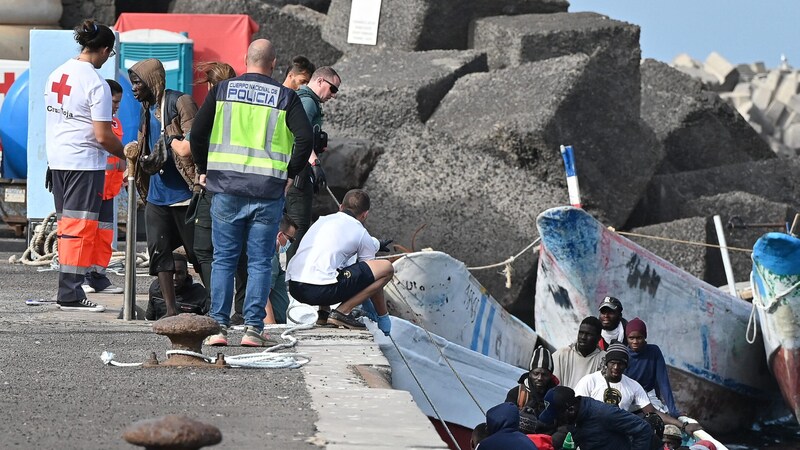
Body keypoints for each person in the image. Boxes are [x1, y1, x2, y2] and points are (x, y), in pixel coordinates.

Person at [191, 39, 313, 347]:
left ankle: (218, 327)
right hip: (268, 191)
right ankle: (253, 330)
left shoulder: (222, 91)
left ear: (246, 60)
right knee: (260, 261)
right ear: (273, 64)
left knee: (223, 260)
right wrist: (290, 173)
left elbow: (197, 132)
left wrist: (204, 167)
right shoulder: (286, 97)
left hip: (226, 188)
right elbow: (305, 137)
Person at [45, 19, 125, 311]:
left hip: (57, 162)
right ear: (104, 50)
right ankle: (71, 294)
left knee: (68, 228)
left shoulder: (56, 74)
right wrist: (127, 152)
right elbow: (103, 136)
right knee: (80, 229)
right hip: (84, 165)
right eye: (110, 53)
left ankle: (69, 290)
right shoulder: (96, 83)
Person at [126, 57, 205, 318]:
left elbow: (197, 140)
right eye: (132, 83)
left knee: (199, 254)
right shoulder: (145, 109)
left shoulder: (179, 102)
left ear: (152, 81)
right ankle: (170, 311)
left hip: (184, 194)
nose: (134, 88)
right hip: (158, 195)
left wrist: (174, 143)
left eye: (138, 83)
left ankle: (218, 307)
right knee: (159, 253)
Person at [172, 61, 248, 324]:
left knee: (205, 249)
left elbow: (188, 148)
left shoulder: (212, 108)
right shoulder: (246, 111)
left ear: (211, 86)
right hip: (243, 185)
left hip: (213, 187)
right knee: (240, 251)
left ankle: (218, 307)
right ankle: (240, 311)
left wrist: (170, 135)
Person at [286, 189, 393, 333]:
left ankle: (324, 313)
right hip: (320, 290)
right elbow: (371, 275)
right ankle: (342, 312)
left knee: (330, 267)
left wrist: (376, 244)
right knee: (386, 268)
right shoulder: (361, 232)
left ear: (340, 207)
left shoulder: (322, 221)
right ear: (365, 214)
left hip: (295, 287)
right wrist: (382, 315)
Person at [574, 343, 702, 436]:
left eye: (621, 363)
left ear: (626, 365)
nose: (616, 367)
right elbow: (575, 410)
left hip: (617, 436)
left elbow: (653, 412)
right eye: (613, 362)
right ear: (606, 362)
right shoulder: (589, 381)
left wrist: (684, 426)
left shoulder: (633, 386)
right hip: (591, 434)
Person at [285, 66, 341, 262]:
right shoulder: (307, 102)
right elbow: (300, 137)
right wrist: (315, 163)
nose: (333, 95)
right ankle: (292, 277)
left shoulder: (305, 100)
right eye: (333, 89)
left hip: (296, 172)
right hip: (298, 175)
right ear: (319, 81)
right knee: (299, 226)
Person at [80, 79, 126, 295]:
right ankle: (82, 277)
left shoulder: (116, 124)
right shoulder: (90, 121)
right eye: (114, 101)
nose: (116, 106)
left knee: (104, 236)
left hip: (109, 190)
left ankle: (98, 276)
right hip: (91, 186)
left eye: (118, 102)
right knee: (86, 234)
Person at [538, 386, 653, 450]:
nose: (557, 421)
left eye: (558, 417)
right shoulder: (574, 419)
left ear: (571, 410)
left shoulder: (604, 413)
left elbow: (643, 429)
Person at [504, 346, 565, 444]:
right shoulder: (517, 394)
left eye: (544, 374)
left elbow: (564, 428)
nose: (539, 378)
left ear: (550, 376)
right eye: (536, 373)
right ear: (530, 373)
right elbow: (506, 422)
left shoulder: (557, 397)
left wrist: (549, 443)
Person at [625, 318, 681, 418]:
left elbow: (663, 381)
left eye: (639, 338)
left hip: (648, 396)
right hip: (628, 396)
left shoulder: (654, 351)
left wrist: (672, 410)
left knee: (659, 419)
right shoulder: (623, 354)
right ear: (627, 338)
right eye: (631, 338)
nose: (635, 341)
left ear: (645, 336)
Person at [145, 252, 207, 320]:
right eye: (171, 274)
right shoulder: (155, 288)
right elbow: (149, 318)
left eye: (180, 273)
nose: (175, 278)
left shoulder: (199, 293)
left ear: (186, 273)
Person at [552, 316, 606, 388]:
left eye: (588, 334)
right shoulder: (561, 354)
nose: (583, 337)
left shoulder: (605, 359)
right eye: (581, 333)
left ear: (599, 338)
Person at [265, 214, 298, 324]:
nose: (290, 243)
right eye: (290, 239)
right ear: (280, 235)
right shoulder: (271, 259)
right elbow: (263, 295)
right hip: (273, 323)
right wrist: (271, 325)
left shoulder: (270, 256)